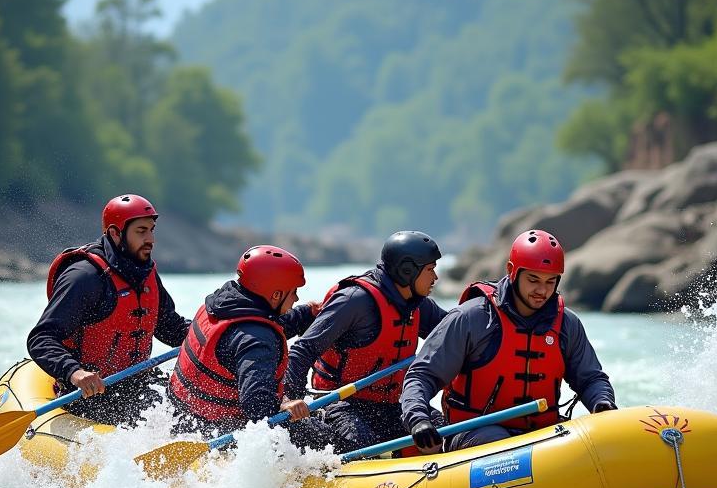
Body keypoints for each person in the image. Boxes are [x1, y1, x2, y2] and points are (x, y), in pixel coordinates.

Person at [400, 229, 617, 453]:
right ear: (512, 271)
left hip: (542, 434)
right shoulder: (472, 318)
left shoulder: (567, 325)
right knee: (501, 444)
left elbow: (591, 379)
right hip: (476, 434)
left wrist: (602, 402)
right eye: (533, 279)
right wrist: (418, 418)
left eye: (550, 281)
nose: (542, 290)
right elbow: (422, 374)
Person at [27, 194, 190, 425]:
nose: (151, 239)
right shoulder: (84, 278)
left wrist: (207, 333)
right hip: (86, 398)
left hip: (135, 390)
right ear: (115, 233)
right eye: (141, 231)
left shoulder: (146, 273)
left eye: (152, 230)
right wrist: (75, 373)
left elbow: (169, 328)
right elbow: (41, 338)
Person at [283, 231, 447, 453]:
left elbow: (455, 333)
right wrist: (291, 399)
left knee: (443, 432)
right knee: (359, 445)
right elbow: (303, 350)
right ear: (408, 271)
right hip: (339, 404)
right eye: (430, 270)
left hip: (390, 405)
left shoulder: (419, 305)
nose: (435, 277)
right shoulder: (355, 301)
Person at [167, 245, 326, 446]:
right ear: (276, 295)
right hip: (219, 436)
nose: (296, 298)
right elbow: (257, 405)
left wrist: (307, 313)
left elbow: (261, 327)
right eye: (293, 292)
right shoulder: (257, 339)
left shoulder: (221, 306)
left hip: (180, 420)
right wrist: (285, 404)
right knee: (323, 435)